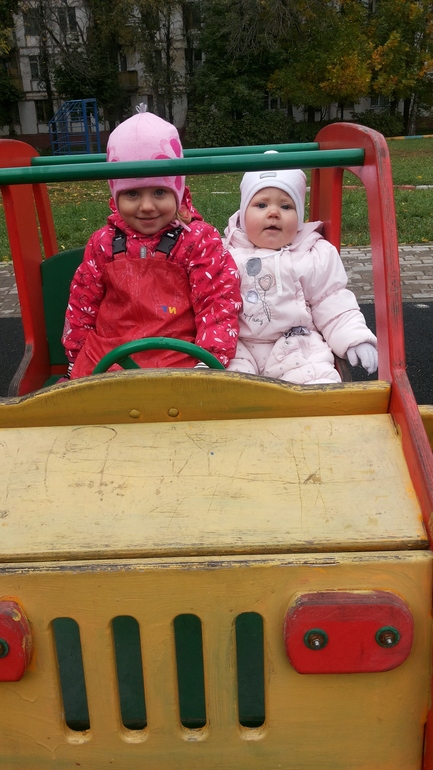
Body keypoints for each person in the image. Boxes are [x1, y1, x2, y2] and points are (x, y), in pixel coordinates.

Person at [62, 109, 241, 379]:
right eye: (132, 193)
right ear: (115, 196)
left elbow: (217, 302)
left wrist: (210, 359)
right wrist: (76, 356)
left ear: (177, 191)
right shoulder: (103, 243)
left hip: (177, 357)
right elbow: (82, 303)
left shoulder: (198, 241)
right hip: (108, 358)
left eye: (159, 192)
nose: (146, 206)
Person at [223, 165, 378, 384]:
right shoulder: (224, 254)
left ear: (299, 217)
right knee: (224, 384)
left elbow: (331, 301)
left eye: (286, 206)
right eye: (261, 205)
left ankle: (318, 402)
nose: (273, 213)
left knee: (316, 380)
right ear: (243, 214)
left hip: (296, 346)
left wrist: (355, 337)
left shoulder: (313, 253)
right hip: (239, 345)